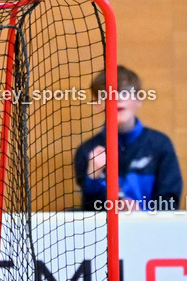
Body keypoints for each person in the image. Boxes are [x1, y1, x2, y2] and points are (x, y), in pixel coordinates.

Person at [74, 65, 182, 212]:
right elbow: (89, 211)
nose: (116, 98)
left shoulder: (160, 144)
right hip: (105, 233)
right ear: (96, 104)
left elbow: (170, 202)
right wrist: (93, 177)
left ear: (139, 99)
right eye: (106, 94)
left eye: (124, 92)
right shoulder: (86, 150)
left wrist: (141, 213)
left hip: (151, 231)